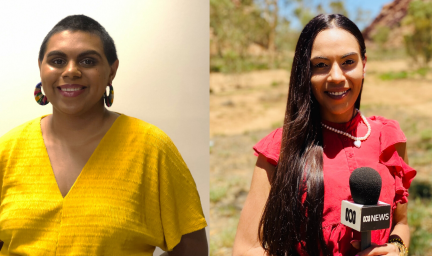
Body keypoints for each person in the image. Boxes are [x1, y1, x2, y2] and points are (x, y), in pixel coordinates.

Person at [0, 15, 207, 256]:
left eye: (88, 61)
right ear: (41, 68)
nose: (71, 71)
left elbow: (192, 250)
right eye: (57, 61)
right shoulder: (7, 150)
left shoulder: (152, 148)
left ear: (112, 71)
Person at [233, 14, 416, 256]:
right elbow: (246, 249)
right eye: (321, 65)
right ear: (305, 73)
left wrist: (397, 249)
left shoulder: (389, 139)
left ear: (364, 64)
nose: (337, 77)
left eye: (348, 61)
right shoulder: (280, 148)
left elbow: (400, 224)